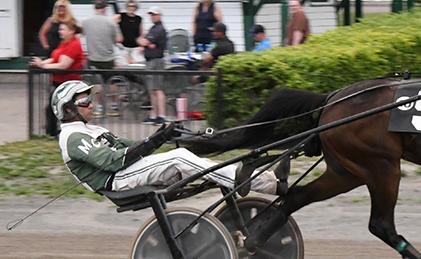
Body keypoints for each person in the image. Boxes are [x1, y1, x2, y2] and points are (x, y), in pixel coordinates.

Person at [52, 80, 287, 196]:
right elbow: (114, 161)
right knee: (180, 158)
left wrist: (161, 136)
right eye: (84, 102)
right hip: (116, 180)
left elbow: (131, 147)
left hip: (124, 172)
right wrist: (154, 142)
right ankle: (257, 182)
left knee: (186, 158)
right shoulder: (72, 138)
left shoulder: (90, 129)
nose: (91, 104)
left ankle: (264, 180)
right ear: (69, 108)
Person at [31, 20, 86, 136]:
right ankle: (54, 132)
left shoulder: (74, 45)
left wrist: (43, 66)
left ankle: (57, 132)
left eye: (62, 29)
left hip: (69, 83)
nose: (59, 31)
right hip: (59, 82)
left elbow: (63, 65)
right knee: (55, 108)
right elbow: (54, 58)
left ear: (71, 31)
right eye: (60, 29)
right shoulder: (63, 43)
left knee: (59, 108)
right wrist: (41, 63)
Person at [82, 0, 121, 116]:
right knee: (111, 83)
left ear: (95, 8)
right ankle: (113, 107)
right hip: (108, 58)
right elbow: (118, 39)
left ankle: (99, 107)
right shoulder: (111, 23)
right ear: (105, 8)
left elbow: (80, 34)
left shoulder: (86, 22)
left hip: (93, 57)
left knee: (97, 84)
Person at [137, 7, 168, 124]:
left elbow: (146, 42)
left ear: (160, 15)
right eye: (151, 15)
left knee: (158, 89)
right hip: (150, 61)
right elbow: (145, 42)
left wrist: (144, 42)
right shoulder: (153, 28)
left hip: (156, 61)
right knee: (152, 90)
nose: (153, 17)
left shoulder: (159, 29)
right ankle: (153, 115)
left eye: (155, 14)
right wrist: (144, 42)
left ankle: (161, 115)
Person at [115, 0, 144, 65]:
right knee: (124, 63)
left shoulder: (138, 19)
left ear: (136, 8)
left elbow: (141, 33)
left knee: (137, 63)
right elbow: (111, 23)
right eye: (129, 6)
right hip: (123, 46)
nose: (131, 8)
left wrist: (142, 46)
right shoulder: (121, 16)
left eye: (133, 6)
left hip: (135, 46)